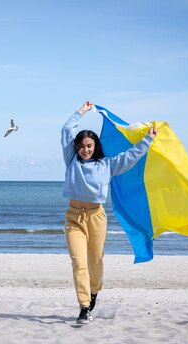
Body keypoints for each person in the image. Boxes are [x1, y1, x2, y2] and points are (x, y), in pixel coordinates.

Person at [61, 101, 157, 324]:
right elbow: (66, 130)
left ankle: (94, 292)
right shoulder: (71, 160)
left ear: (95, 147)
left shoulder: (107, 165)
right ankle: (84, 306)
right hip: (73, 217)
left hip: (96, 218)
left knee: (96, 263)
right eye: (82, 146)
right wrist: (81, 111)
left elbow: (131, 156)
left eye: (89, 146)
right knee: (79, 263)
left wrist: (149, 138)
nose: (85, 149)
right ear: (76, 147)